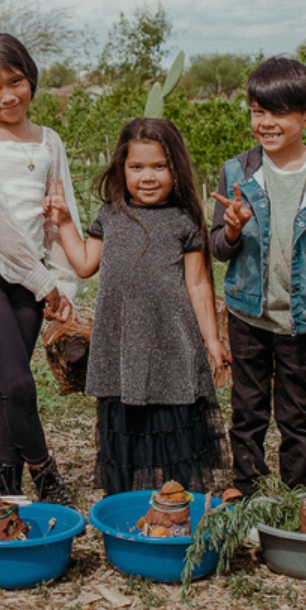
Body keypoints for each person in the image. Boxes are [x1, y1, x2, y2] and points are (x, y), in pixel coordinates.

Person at [45, 118, 226, 496]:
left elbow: (197, 283)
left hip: (172, 345)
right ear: (121, 169)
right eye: (137, 167)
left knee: (175, 431)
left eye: (159, 166)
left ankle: (179, 509)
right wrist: (63, 222)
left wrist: (211, 339)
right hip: (121, 346)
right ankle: (124, 509)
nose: (148, 176)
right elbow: (84, 264)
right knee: (123, 434)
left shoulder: (184, 221)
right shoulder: (110, 216)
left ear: (175, 168)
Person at [208, 55, 306, 493]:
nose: (266, 123)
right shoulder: (238, 172)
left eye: (279, 113)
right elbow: (218, 248)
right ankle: (248, 491)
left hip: (301, 322)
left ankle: (297, 498)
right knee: (247, 410)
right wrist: (232, 230)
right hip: (248, 315)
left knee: (297, 415)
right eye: (258, 111)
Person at [0, 33, 80, 505]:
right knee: (18, 382)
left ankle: (6, 475)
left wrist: (64, 283)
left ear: (31, 78)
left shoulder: (50, 141)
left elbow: (60, 215)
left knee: (10, 384)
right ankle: (46, 477)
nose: (7, 96)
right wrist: (44, 282)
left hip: (32, 282)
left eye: (15, 82)